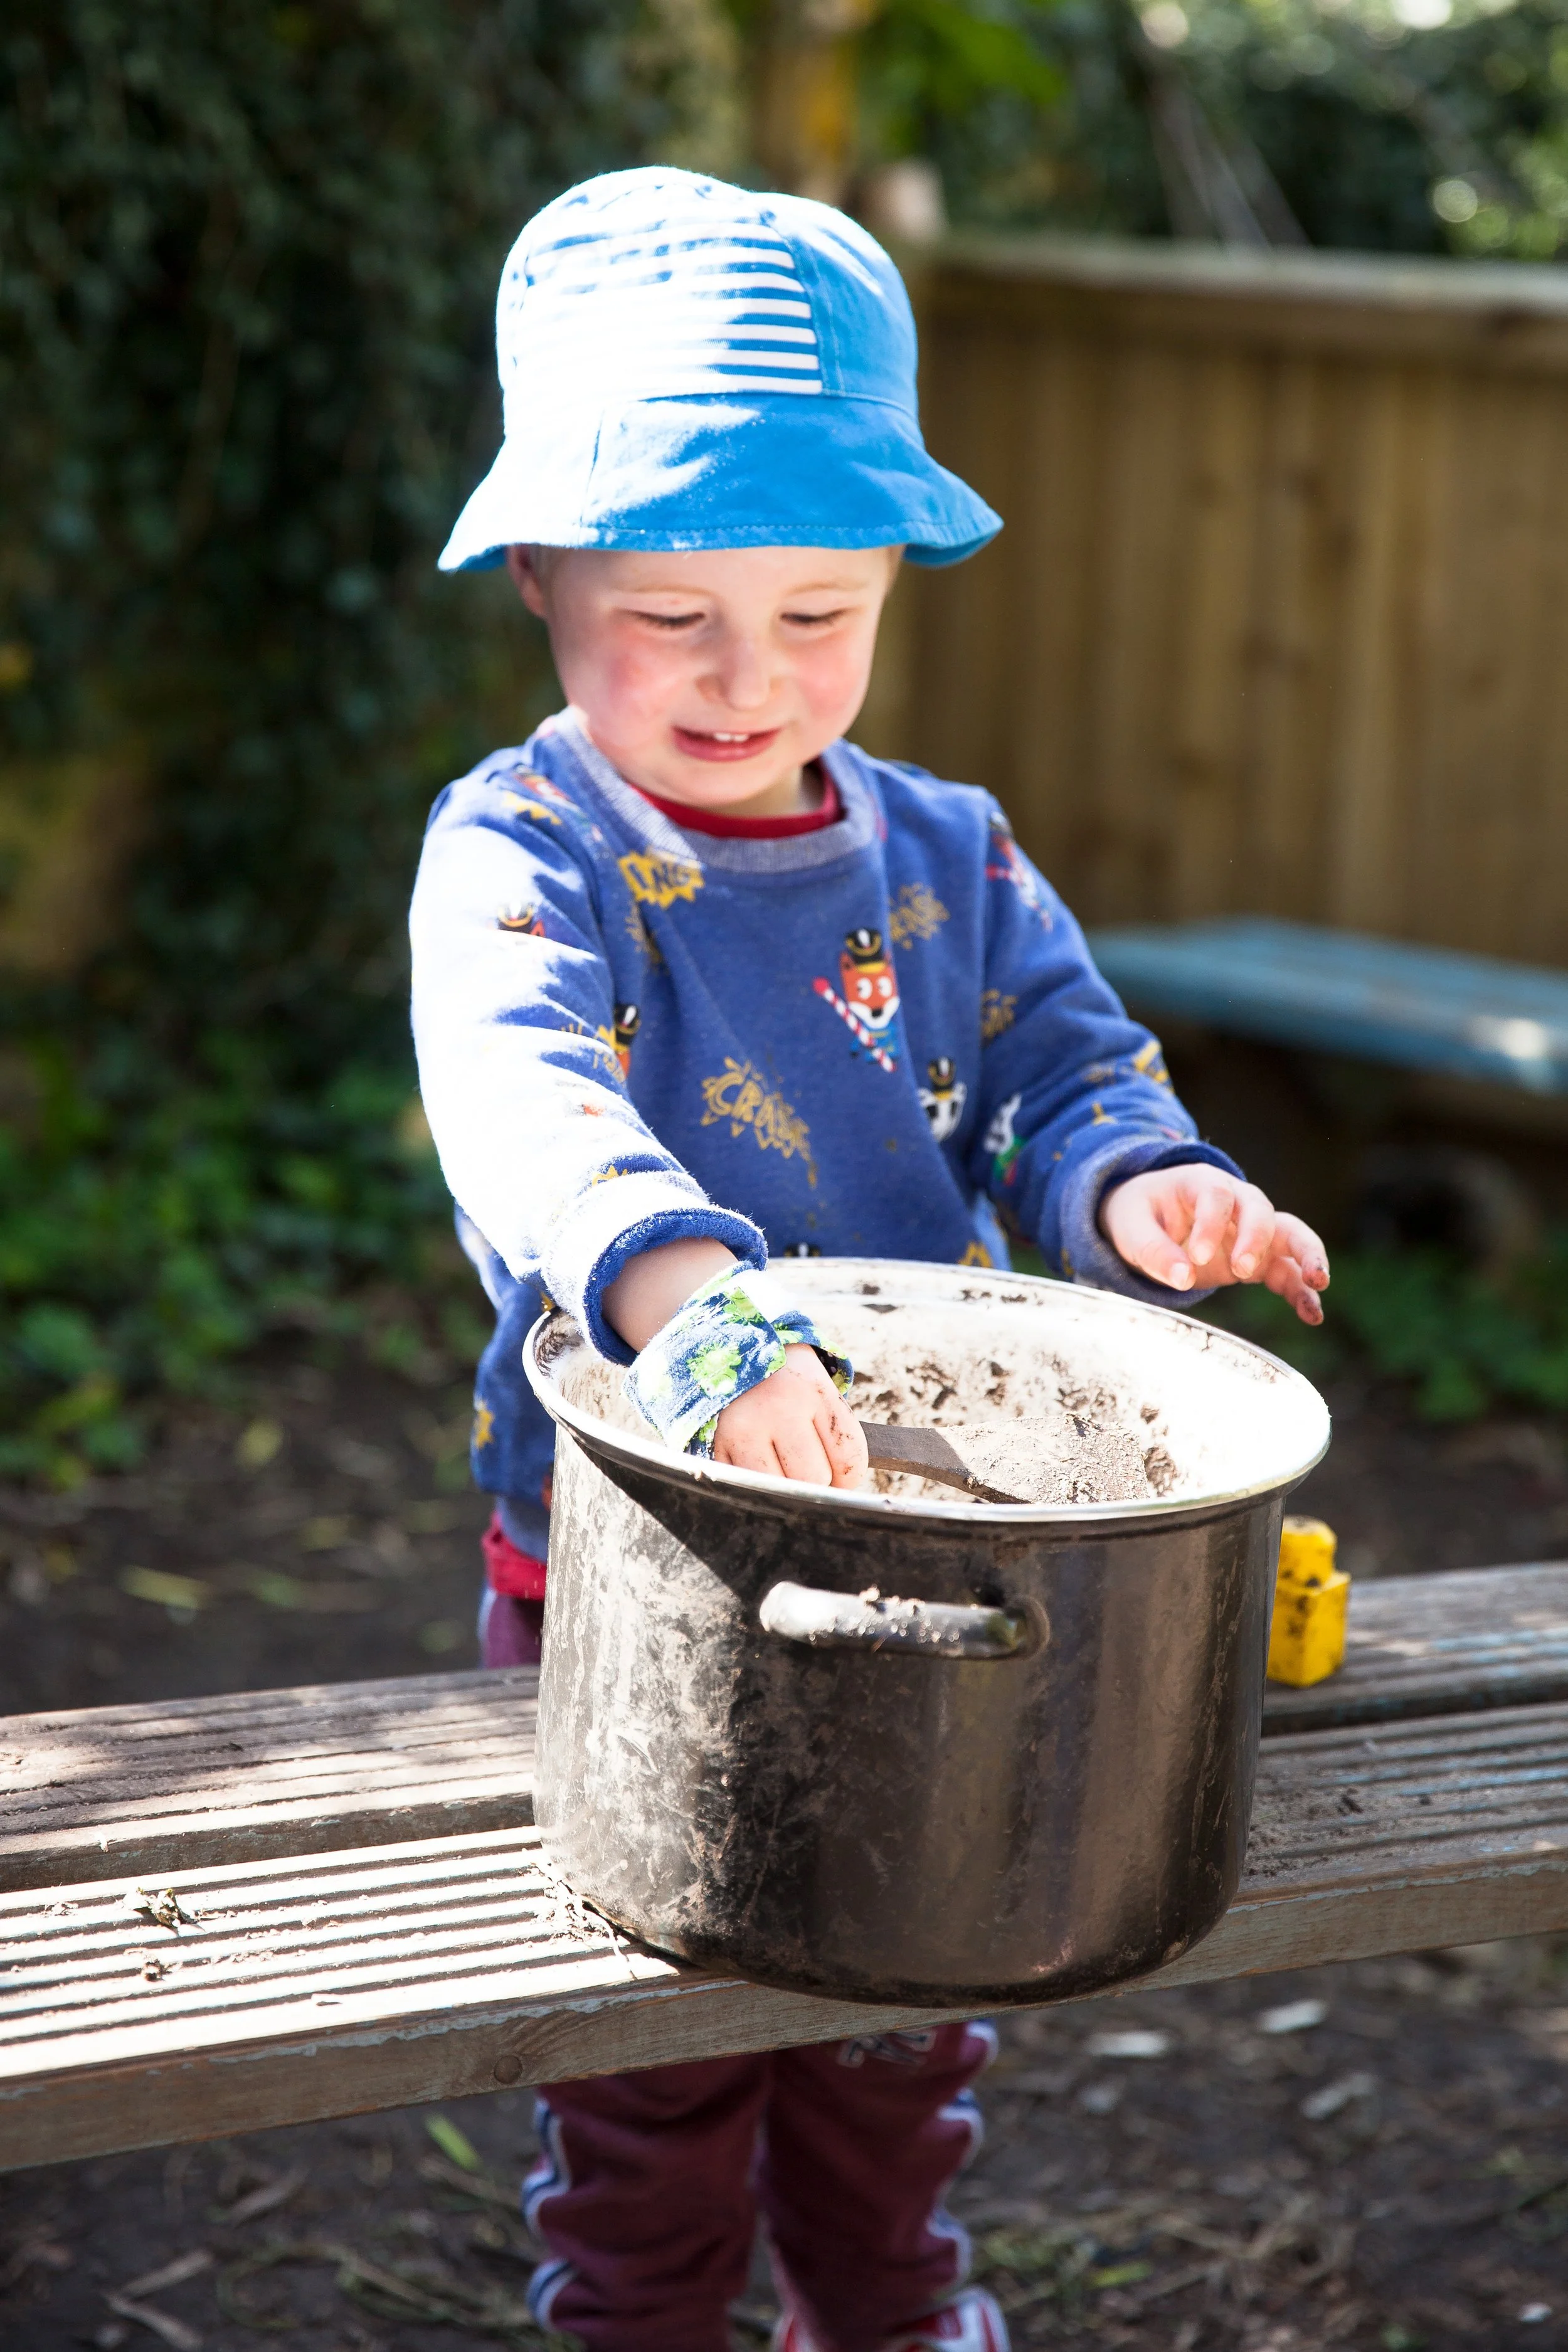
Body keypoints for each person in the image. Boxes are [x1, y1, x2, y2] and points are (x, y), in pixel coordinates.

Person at [410, 165, 1329, 2352]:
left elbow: (1058, 1069)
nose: (749, 678)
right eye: (670, 614)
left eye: (816, 612)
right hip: (645, 1550)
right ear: (542, 575)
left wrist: (1141, 1190)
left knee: (909, 1989)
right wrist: (683, 1306)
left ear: (895, 583)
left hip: (939, 1551)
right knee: (651, 2023)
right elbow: (533, 1103)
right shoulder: (524, 850)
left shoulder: (949, 855)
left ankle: (883, 2303)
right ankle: (630, 2319)